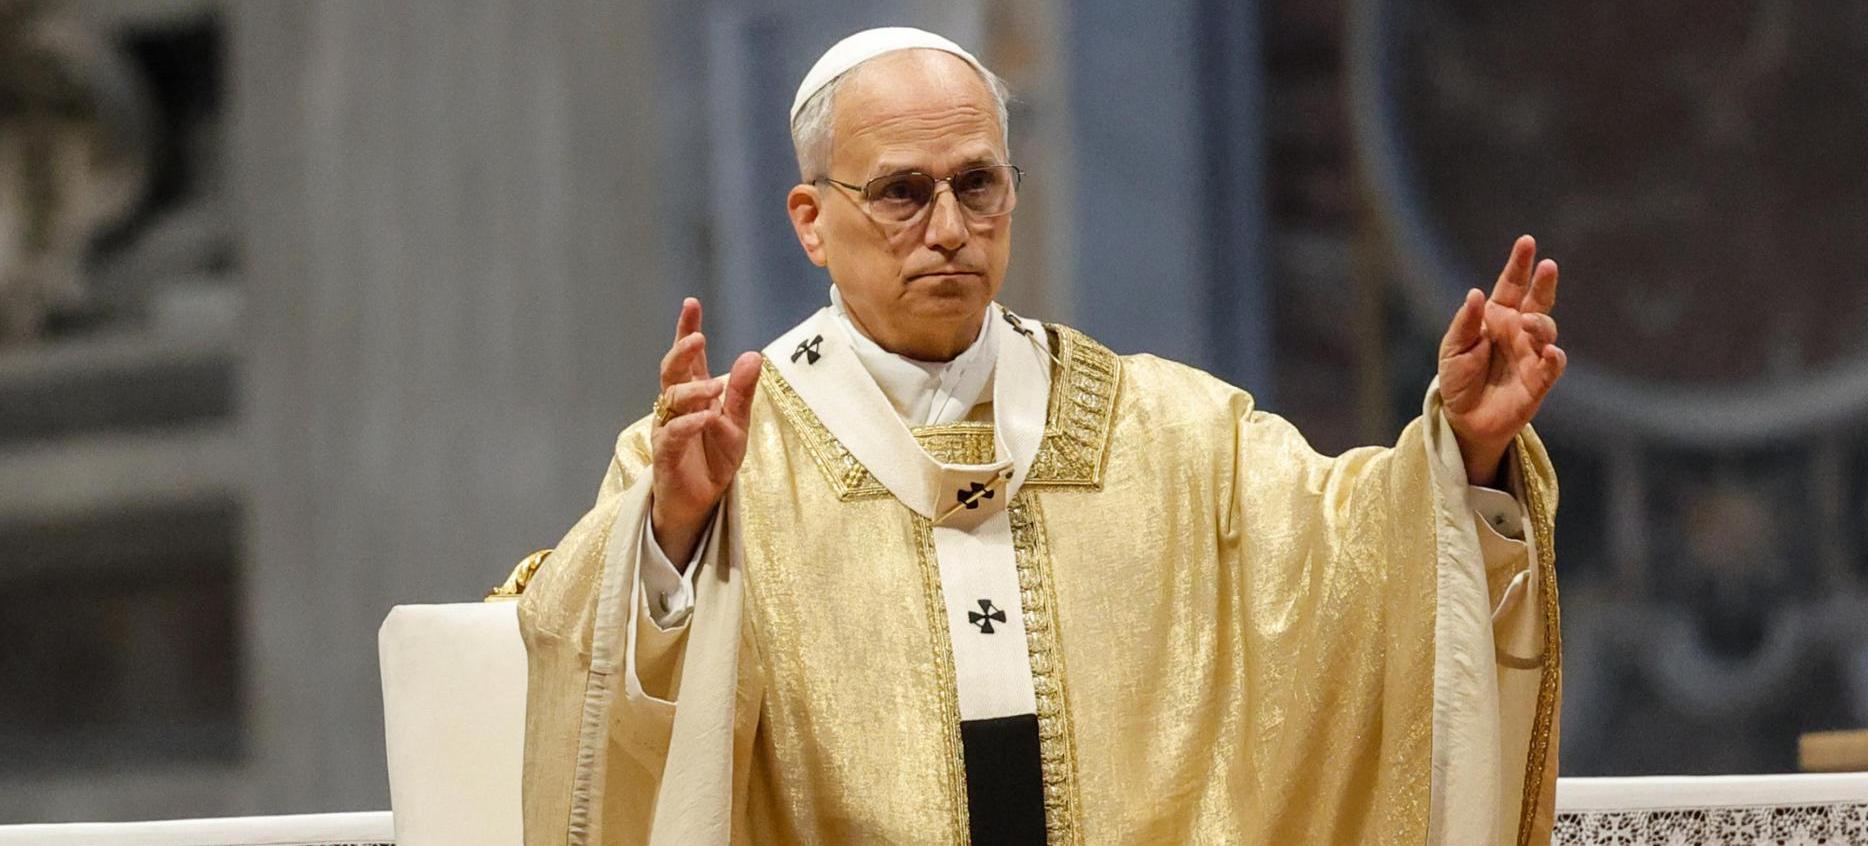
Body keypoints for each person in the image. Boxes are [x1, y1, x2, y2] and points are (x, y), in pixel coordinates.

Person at [515, 26, 1568, 846]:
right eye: (900, 192)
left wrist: (1462, 451)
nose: (947, 227)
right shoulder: (726, 448)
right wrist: (677, 530)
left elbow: (1350, 556)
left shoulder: (1161, 428)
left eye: (978, 183)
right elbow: (591, 656)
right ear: (807, 219)